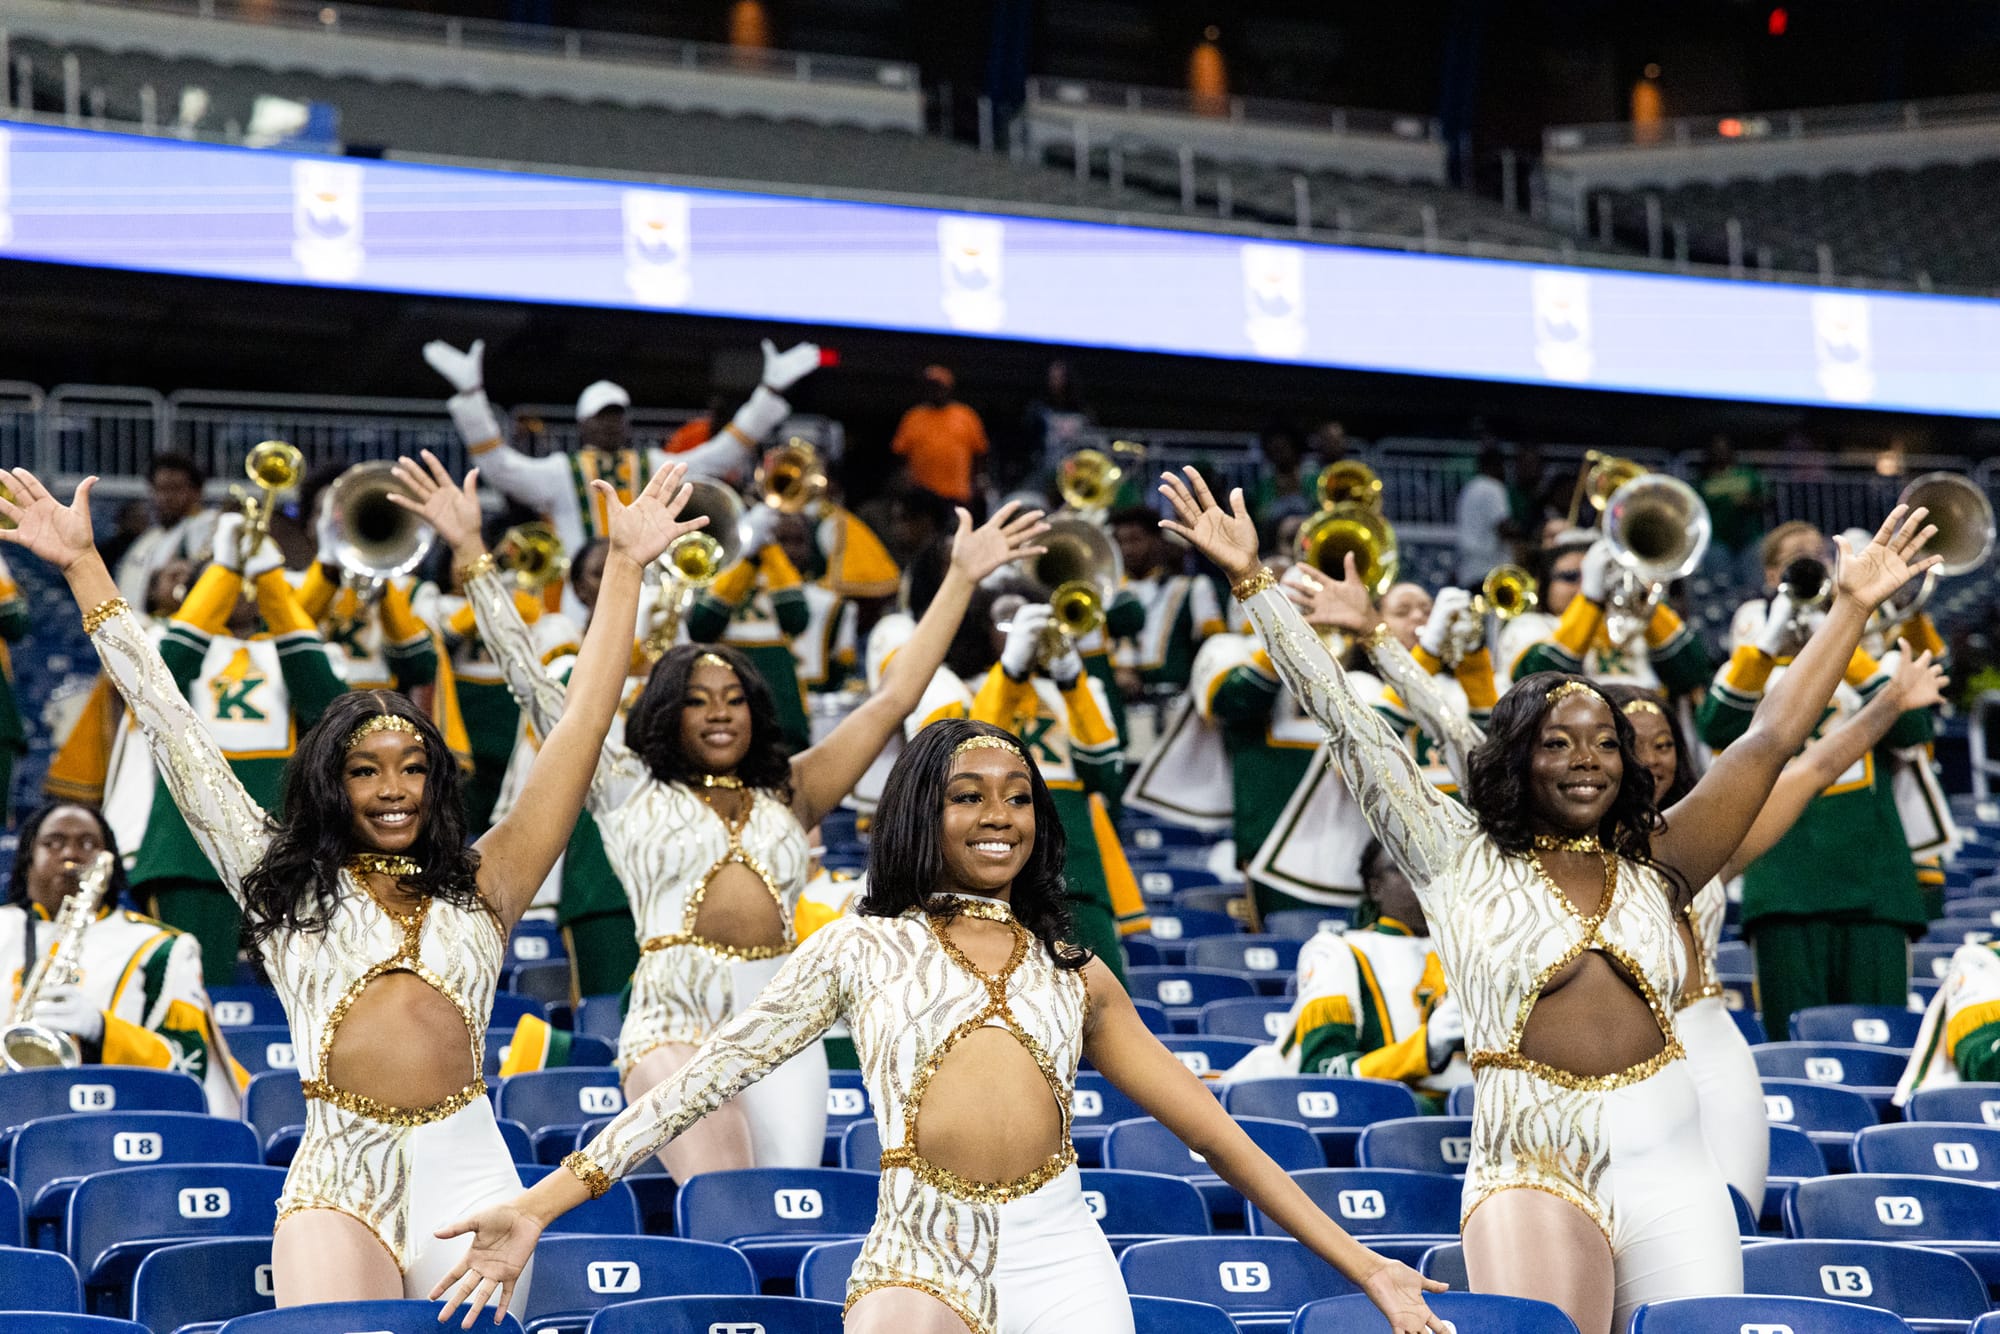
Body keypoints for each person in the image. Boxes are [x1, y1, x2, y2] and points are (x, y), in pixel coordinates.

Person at [1156, 465, 1937, 1334]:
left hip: (1674, 1159)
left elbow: (1773, 736)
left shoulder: (1662, 857)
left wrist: (1852, 608)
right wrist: (1253, 584)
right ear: (1515, 756)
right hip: (1533, 1161)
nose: (1587, 758)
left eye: (1605, 743)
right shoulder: (1452, 852)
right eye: (1558, 742)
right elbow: (1345, 718)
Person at [427, 718, 1452, 1334]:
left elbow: (1220, 1137)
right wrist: (537, 1205)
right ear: (923, 811)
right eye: (967, 795)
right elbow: (698, 1081)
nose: (997, 814)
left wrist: (1366, 1265)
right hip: (919, 1252)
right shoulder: (857, 947)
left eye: (1016, 796)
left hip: (1061, 1251)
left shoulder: (1076, 972)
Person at [0, 457, 706, 1307]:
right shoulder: (280, 877)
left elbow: (583, 724)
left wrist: (624, 567)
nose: (393, 788)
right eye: (365, 771)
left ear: (438, 781)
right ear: (330, 784)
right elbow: (168, 719)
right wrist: (83, 567)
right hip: (338, 1177)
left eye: (413, 767)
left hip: (471, 1170)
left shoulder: (491, 881)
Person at [437, 445, 1052, 1182]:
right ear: (667, 711)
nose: (719, 713)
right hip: (673, 1022)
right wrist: (474, 553)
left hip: (782, 1027)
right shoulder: (623, 783)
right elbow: (533, 684)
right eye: (697, 699)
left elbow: (891, 700)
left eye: (733, 699)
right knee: (726, 1187)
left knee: (785, 1200)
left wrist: (959, 577)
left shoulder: (793, 789)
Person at [1696, 520, 1939, 1040]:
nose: (1813, 565)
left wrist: (1843, 637)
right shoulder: (1750, 651)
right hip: (1782, 878)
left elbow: (1915, 727)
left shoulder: (1869, 640)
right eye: (1796, 560)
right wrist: (1771, 641)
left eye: (1820, 557)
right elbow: (1716, 727)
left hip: (1873, 877)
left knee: (1883, 1043)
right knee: (1796, 1046)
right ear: (1770, 577)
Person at [423, 336, 821, 612]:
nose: (612, 425)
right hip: (582, 601)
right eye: (602, 417)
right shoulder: (564, 471)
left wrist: (769, 393)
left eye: (617, 416)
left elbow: (722, 452)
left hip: (653, 594)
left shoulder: (653, 465)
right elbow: (502, 467)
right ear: (583, 425)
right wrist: (471, 399)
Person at [126, 512, 348, 987]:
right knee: (187, 995)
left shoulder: (295, 651)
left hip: (286, 852)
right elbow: (158, 679)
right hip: (188, 851)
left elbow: (331, 710)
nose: (244, 590)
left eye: (255, 581)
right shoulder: (168, 638)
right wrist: (224, 570)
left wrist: (273, 583)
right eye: (232, 580)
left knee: (301, 998)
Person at [2, 800, 243, 1114]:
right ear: (26, 860)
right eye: (53, 842)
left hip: (109, 1116)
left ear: (110, 864)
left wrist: (103, 1029)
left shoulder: (163, 946)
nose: (70, 854)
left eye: (88, 844)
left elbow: (188, 1062)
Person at [973, 590, 1145, 981]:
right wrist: (1010, 671)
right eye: (1008, 626)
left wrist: (1072, 679)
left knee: (1103, 994)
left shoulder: (1082, 692)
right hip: (998, 879)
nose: (1024, 636)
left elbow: (1104, 772)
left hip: (1078, 871)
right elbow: (975, 749)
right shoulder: (967, 689)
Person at [1227, 837, 1468, 1106]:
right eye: (1403, 868)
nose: (1422, 880)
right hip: (1388, 1110)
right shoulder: (1340, 951)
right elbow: (1323, 1071)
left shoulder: (1475, 954)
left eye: (1431, 870)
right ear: (1375, 888)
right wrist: (1428, 1047)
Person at [1501, 530, 1709, 695]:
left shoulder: (1636, 625)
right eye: (1571, 576)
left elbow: (1692, 674)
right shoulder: (1529, 626)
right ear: (1543, 585)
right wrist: (1590, 600)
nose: (1583, 585)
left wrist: (1645, 599)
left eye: (1598, 575)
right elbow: (1535, 682)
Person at [113, 453, 218, 608]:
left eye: (174, 489)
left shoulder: (208, 526)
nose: (165, 497)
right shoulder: (150, 539)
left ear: (197, 492)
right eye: (159, 489)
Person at [892, 364, 988, 509]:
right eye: (930, 386)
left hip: (956, 495)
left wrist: (977, 485)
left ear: (948, 388)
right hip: (922, 495)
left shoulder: (965, 415)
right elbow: (900, 455)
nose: (934, 391)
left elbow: (980, 454)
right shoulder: (913, 416)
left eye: (938, 386)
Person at [1454, 445, 1510, 586]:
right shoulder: (1494, 487)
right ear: (1497, 465)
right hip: (1489, 570)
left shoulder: (1468, 488)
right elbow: (1502, 526)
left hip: (1469, 570)